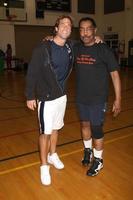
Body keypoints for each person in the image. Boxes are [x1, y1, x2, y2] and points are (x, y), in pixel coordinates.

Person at [26, 15, 73, 185]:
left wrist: (98, 37)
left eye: (69, 24)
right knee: (45, 132)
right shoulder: (42, 48)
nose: (66, 27)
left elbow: (86, 42)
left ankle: (53, 155)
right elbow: (32, 72)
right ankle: (44, 166)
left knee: (55, 128)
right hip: (46, 97)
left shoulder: (70, 47)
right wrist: (30, 95)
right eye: (63, 24)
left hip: (62, 96)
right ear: (56, 28)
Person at [74, 17, 121, 176]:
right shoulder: (77, 48)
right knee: (85, 126)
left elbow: (115, 75)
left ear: (94, 30)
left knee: (96, 128)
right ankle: (88, 151)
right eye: (81, 29)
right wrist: (50, 37)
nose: (85, 32)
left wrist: (118, 99)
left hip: (98, 98)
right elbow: (60, 42)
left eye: (88, 29)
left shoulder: (103, 50)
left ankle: (99, 160)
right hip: (81, 97)